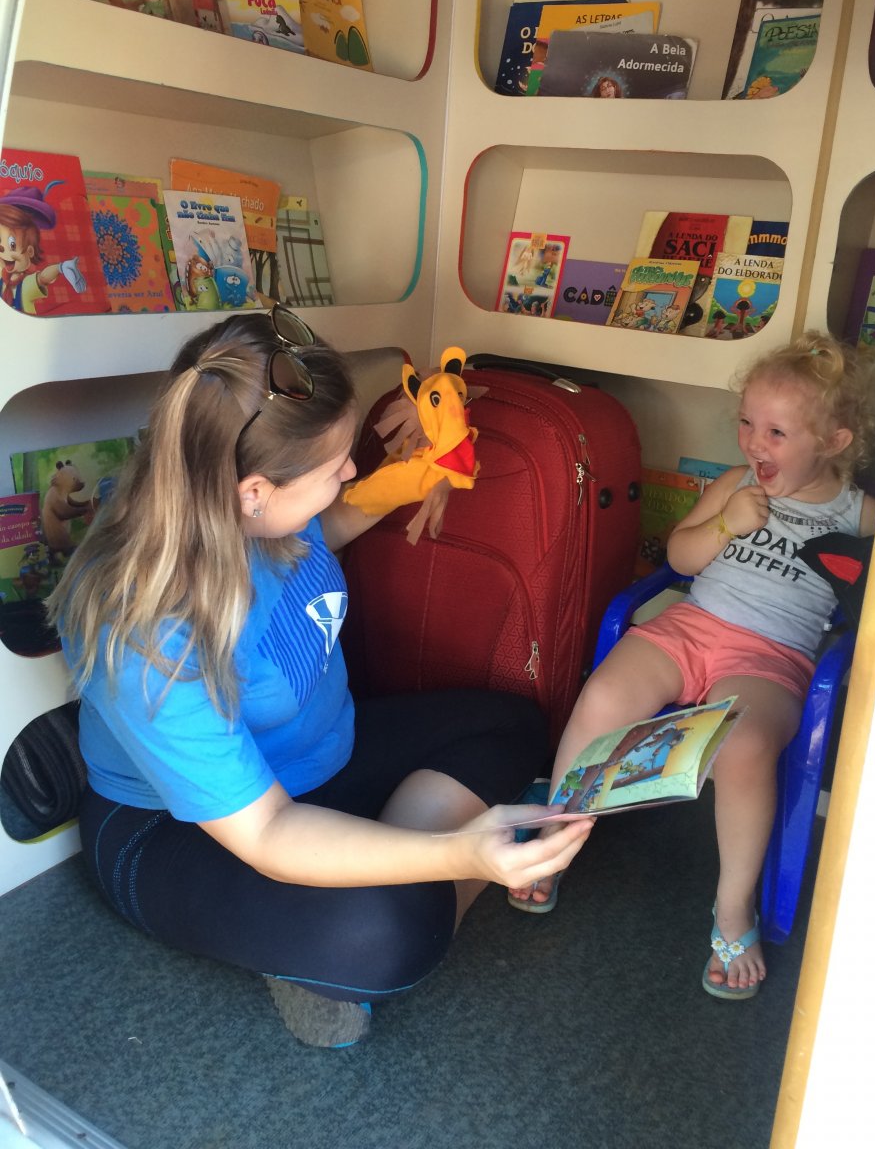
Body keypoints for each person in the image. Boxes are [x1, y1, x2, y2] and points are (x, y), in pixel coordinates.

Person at [48, 308, 593, 1047]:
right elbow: (267, 828)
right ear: (252, 494)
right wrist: (460, 856)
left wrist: (415, 478)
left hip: (317, 759)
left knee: (517, 721)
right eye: (335, 462)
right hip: (180, 831)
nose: (351, 470)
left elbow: (315, 533)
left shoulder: (229, 495)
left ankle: (348, 878)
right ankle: (356, 899)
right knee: (393, 931)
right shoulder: (146, 630)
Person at [508, 330, 875, 1000]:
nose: (753, 444)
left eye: (776, 432)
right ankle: (555, 834)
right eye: (746, 423)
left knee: (742, 749)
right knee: (604, 696)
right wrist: (724, 526)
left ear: (833, 442)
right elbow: (679, 558)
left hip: (770, 656)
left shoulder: (862, 514)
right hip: (690, 626)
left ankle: (733, 908)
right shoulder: (735, 483)